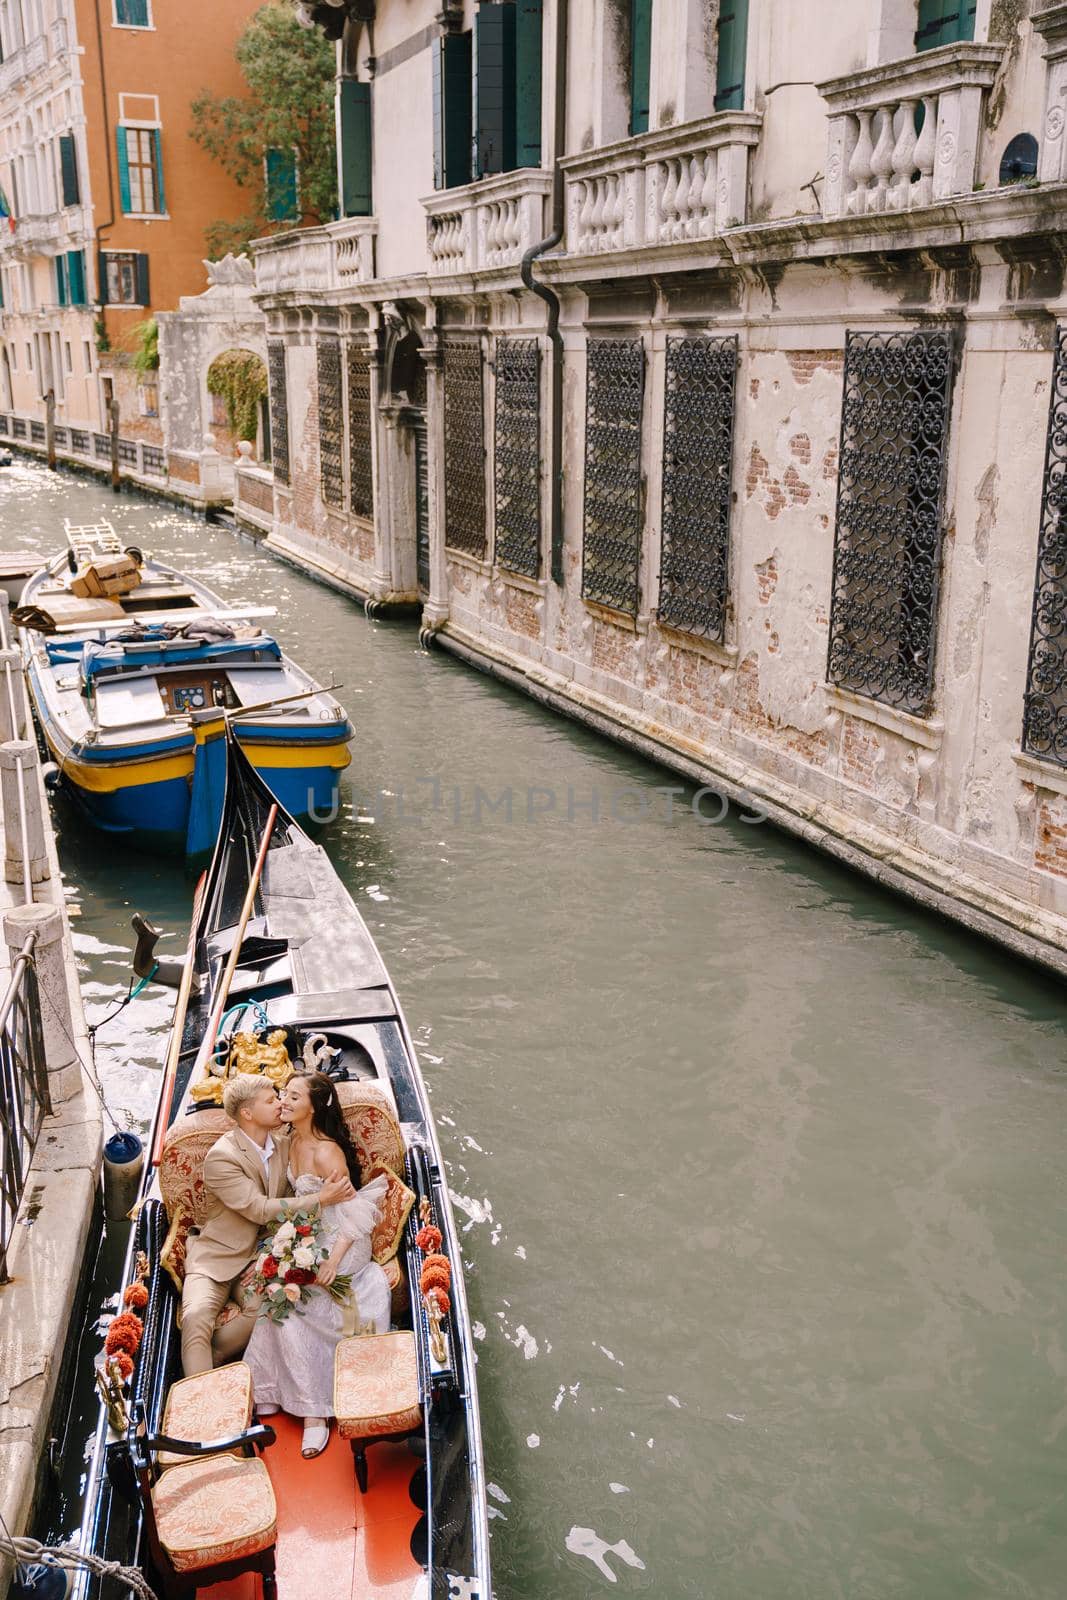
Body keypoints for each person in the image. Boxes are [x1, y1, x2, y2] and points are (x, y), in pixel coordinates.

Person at [244, 1071, 391, 1458]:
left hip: (345, 1239)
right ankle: (274, 1387)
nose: (284, 1102)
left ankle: (315, 1414)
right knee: (281, 1288)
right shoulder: (290, 1140)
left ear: (315, 1105)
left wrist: (332, 1261)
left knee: (299, 1293)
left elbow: (354, 1211)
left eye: (294, 1097)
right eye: (283, 1095)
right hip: (313, 1231)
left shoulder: (327, 1151)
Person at [180, 1073, 355, 1376]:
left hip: (261, 1254)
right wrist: (321, 1199)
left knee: (270, 1308)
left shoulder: (285, 1144)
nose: (280, 1103)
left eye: (283, 1096)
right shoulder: (222, 1157)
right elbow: (259, 1209)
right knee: (196, 1317)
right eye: (272, 1099)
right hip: (217, 1257)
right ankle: (203, 1402)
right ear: (247, 1113)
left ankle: (217, 1355)